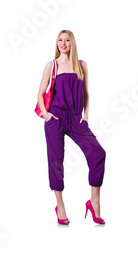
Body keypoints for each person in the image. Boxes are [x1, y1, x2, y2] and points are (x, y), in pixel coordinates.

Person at [37, 30, 105, 225]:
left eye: (67, 40)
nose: (63, 43)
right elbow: (40, 94)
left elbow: (86, 92)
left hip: (76, 118)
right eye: (60, 40)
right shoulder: (52, 66)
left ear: (72, 43)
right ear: (56, 43)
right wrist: (46, 114)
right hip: (55, 117)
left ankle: (94, 201)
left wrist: (86, 115)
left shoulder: (81, 65)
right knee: (56, 161)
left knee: (98, 152)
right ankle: (60, 205)